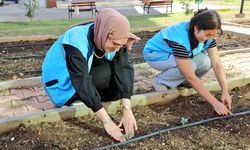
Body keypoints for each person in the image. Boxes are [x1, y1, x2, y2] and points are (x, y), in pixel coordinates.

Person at [42, 8, 140, 142]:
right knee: (103, 77)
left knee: (119, 88)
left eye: (121, 45)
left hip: (83, 71)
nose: (117, 49)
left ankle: (91, 97)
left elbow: (123, 68)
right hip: (60, 81)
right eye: (115, 44)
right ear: (104, 33)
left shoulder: (113, 37)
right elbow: (81, 79)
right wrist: (107, 122)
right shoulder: (76, 39)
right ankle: (83, 98)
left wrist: (127, 109)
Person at [143, 9, 232, 116]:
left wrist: (225, 91)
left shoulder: (209, 36)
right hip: (156, 55)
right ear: (196, 28)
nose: (210, 38)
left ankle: (182, 83)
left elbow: (216, 63)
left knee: (206, 61)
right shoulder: (180, 39)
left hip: (175, 56)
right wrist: (215, 103)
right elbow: (190, 76)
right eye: (208, 35)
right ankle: (161, 81)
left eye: (213, 35)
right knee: (191, 66)